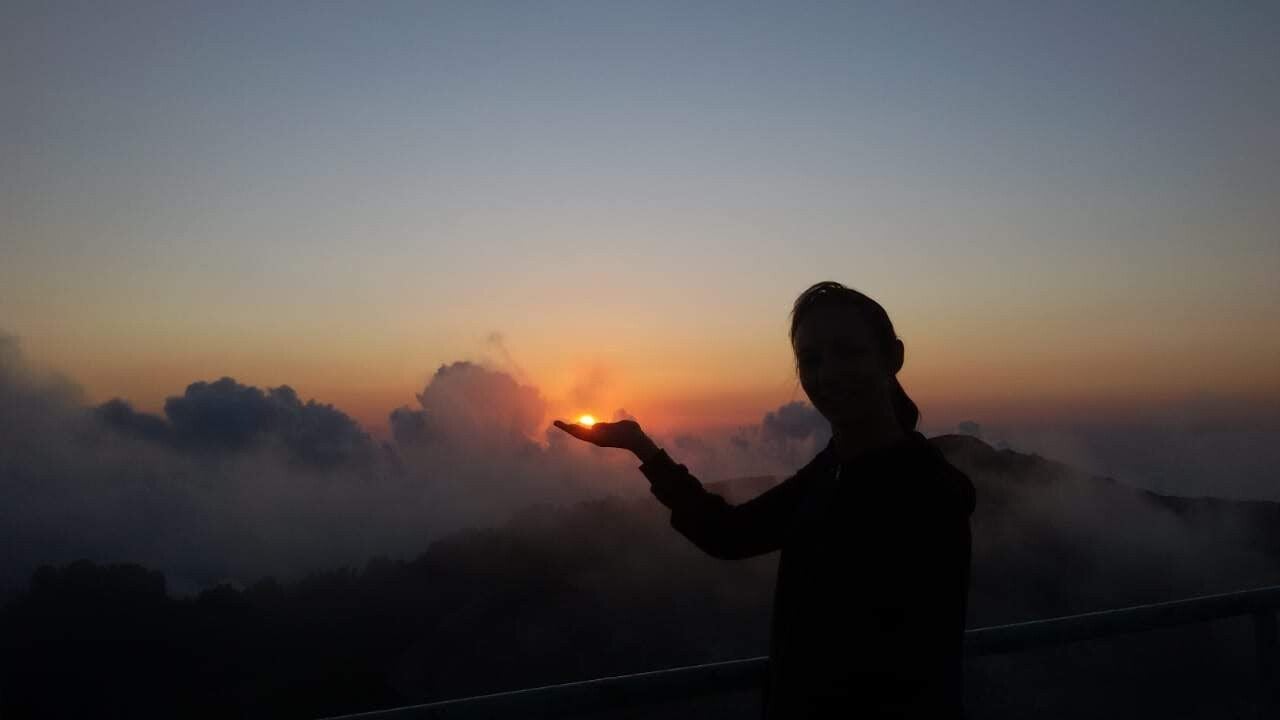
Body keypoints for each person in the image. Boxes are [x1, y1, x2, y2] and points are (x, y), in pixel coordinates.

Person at [554, 281, 976, 719]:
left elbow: (909, 671)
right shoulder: (834, 470)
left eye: (848, 352)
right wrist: (641, 447)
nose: (828, 374)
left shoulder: (926, 495)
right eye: (812, 360)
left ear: (893, 357)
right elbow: (731, 534)